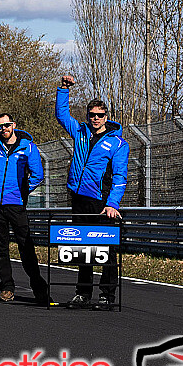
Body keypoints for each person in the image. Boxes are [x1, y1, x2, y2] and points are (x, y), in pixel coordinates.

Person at [56, 75, 127, 309]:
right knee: (82, 247)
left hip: (102, 202)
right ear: (87, 116)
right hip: (79, 197)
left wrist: (113, 204)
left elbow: (120, 177)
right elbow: (62, 115)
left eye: (100, 115)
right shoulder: (80, 132)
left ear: (107, 117)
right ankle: (83, 293)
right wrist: (63, 89)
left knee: (107, 250)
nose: (96, 119)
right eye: (92, 115)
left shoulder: (117, 143)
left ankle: (107, 296)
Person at [0, 113, 50, 305]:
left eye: (6, 125)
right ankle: (7, 288)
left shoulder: (28, 147)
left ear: (13, 125)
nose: (3, 129)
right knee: (1, 248)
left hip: (16, 204)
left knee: (26, 246)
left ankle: (39, 288)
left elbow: (38, 175)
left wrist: (22, 192)